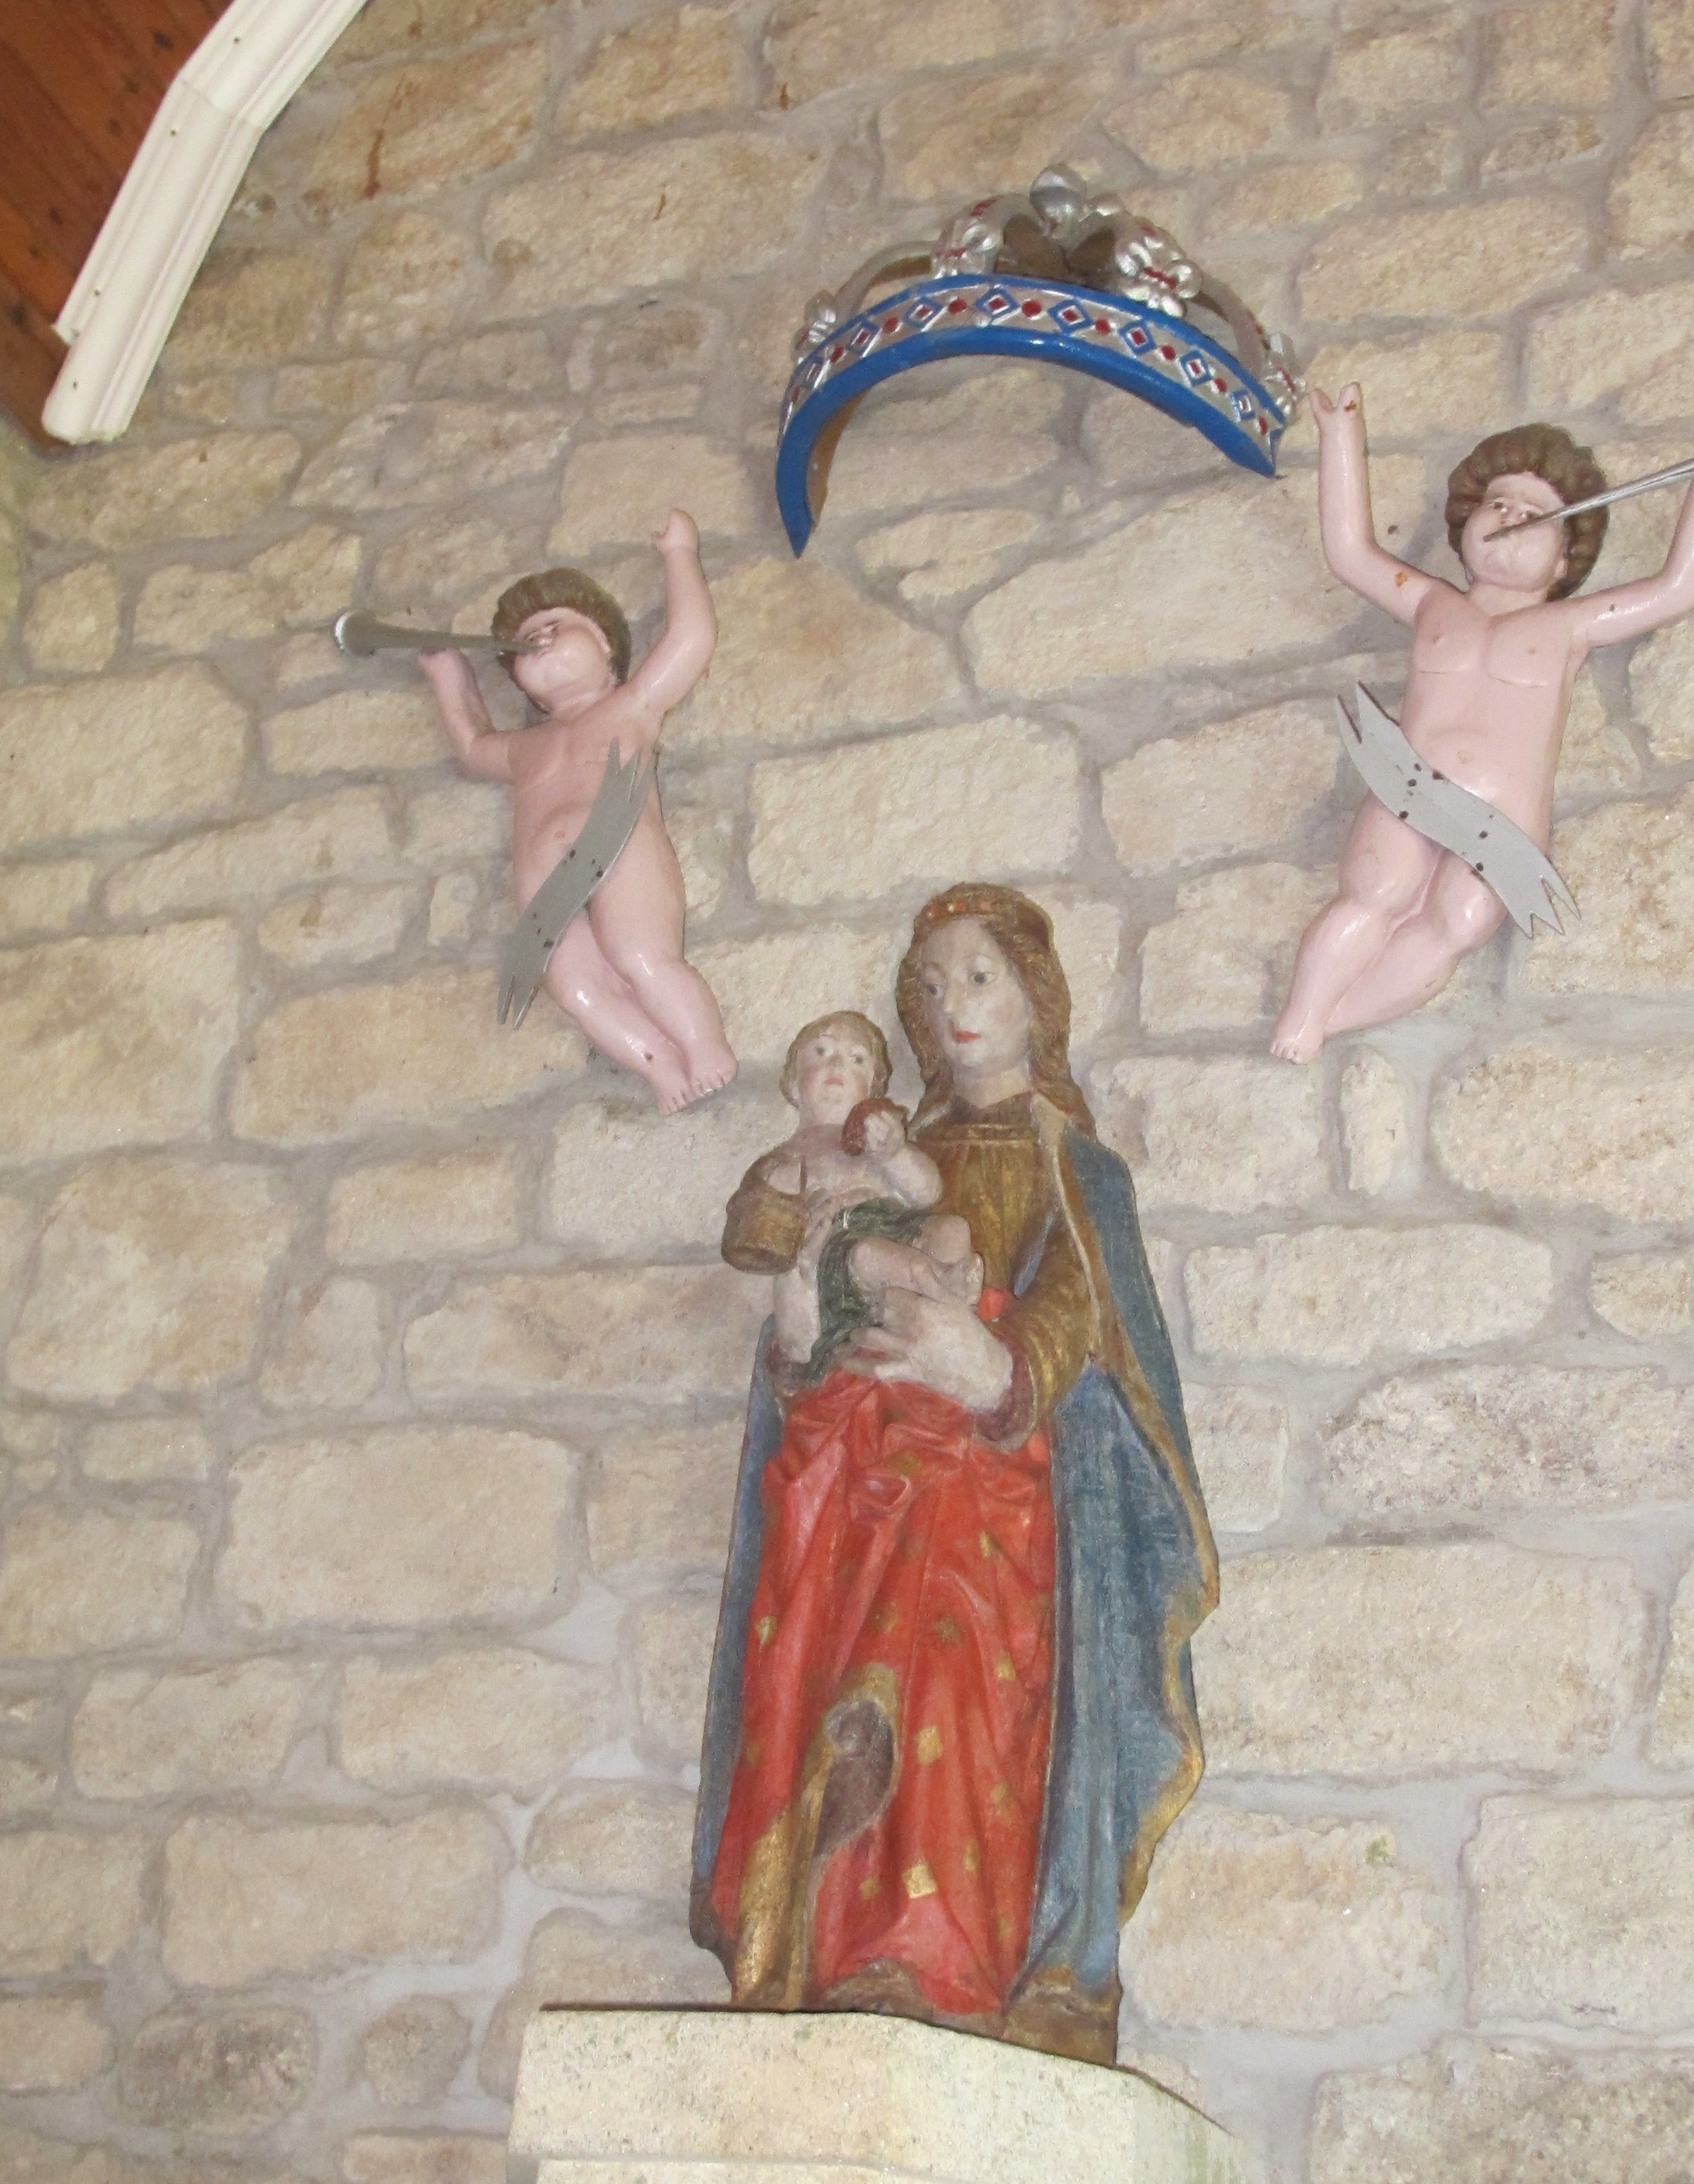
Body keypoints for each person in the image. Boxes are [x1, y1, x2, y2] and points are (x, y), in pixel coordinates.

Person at [693, 886, 1217, 2067]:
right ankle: (823, 1946)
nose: (952, 1005)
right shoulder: (884, 1160)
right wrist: (801, 1351)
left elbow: (1086, 1325)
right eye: (928, 988)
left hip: (993, 1494)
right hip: (857, 1471)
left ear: (1037, 996)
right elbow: (808, 1306)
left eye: (980, 977)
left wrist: (993, 1367)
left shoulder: (1074, 1166)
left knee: (941, 1660)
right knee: (836, 1658)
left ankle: (938, 1958)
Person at [1271, 384, 1694, 1050]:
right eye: (1499, 504)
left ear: (1565, 557)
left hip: (1504, 821)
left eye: (1536, 516)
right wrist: (1340, 437)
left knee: (1460, 921)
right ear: (1467, 524)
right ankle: (1306, 1011)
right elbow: (1350, 552)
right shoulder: (1432, 603)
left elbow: (1676, 589)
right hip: (1408, 786)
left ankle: (1334, 1019)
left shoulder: (1570, 626)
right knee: (1373, 890)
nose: (1512, 518)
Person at [419, 514, 736, 1111]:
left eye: (556, 626)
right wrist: (447, 672)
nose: (540, 639)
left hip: (620, 845)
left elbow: (690, 640)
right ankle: (658, 1062)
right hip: (542, 881)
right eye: (527, 639)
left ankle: (702, 1042)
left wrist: (679, 553)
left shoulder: (631, 707)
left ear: (606, 645)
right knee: (574, 988)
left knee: (642, 957)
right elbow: (471, 745)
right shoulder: (522, 748)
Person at [727, 1010, 982, 1377]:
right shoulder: (783, 1161)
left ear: (872, 1089)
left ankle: (942, 1307)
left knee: (953, 1228)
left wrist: (895, 1153)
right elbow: (762, 1235)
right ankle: (946, 1291)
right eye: (820, 1052)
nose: (836, 1065)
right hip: (842, 1251)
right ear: (794, 1084)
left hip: (900, 1227)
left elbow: (928, 1193)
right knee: (869, 1253)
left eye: (857, 1059)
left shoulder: (877, 1142)